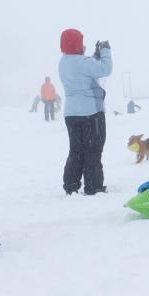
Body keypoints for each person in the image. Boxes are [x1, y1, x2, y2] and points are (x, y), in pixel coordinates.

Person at [58, 29, 112, 195]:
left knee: (76, 150)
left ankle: (71, 185)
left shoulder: (64, 62)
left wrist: (94, 57)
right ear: (78, 44)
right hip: (91, 112)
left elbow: (85, 68)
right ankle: (93, 186)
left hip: (72, 114)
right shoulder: (84, 62)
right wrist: (105, 51)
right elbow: (105, 69)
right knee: (93, 150)